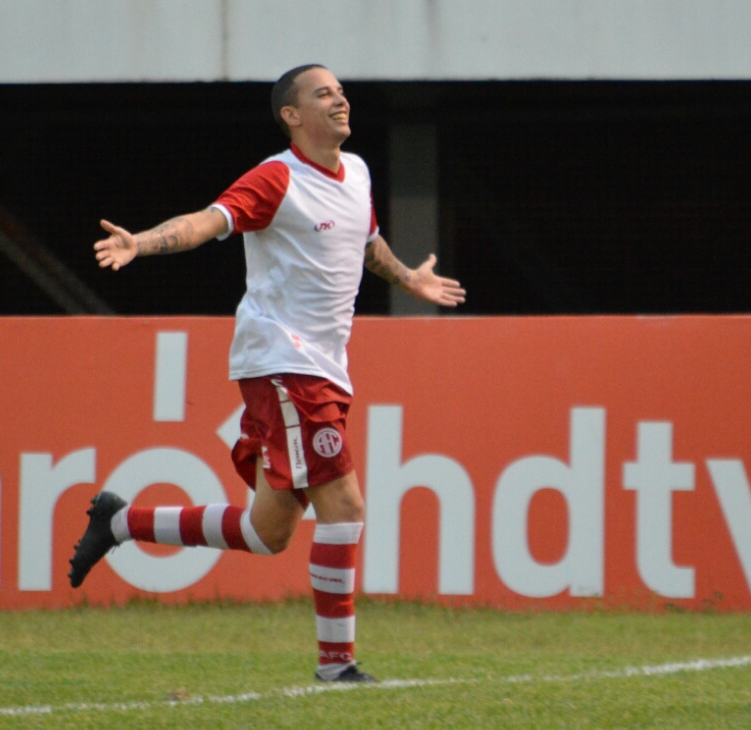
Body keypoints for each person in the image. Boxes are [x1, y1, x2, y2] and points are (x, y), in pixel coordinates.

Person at [68, 63, 466, 683]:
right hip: (284, 362)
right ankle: (337, 668)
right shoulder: (277, 177)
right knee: (346, 503)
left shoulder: (356, 172)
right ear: (291, 115)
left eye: (340, 90)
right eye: (323, 93)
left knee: (269, 530)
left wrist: (411, 276)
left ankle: (119, 520)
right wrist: (141, 243)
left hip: (324, 367)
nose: (340, 99)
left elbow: (365, 244)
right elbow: (207, 222)